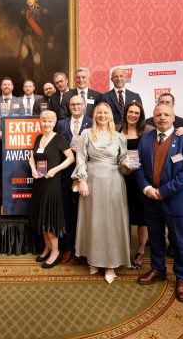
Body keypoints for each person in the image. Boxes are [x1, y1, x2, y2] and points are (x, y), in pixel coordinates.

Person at [134, 103, 183, 302]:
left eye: (166, 114)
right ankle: (158, 269)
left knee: (179, 241)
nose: (162, 118)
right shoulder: (146, 138)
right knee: (155, 238)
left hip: (176, 200)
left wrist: (163, 191)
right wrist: (147, 188)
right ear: (153, 117)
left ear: (173, 117)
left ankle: (182, 277)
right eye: (158, 114)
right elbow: (138, 166)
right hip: (151, 199)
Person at [72, 102, 131, 284]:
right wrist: (82, 180)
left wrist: (126, 163)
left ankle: (110, 264)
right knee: (93, 221)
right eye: (99, 112)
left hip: (114, 183)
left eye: (105, 112)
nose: (102, 115)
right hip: (92, 182)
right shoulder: (86, 133)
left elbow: (123, 161)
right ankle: (93, 259)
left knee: (111, 222)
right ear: (94, 115)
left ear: (110, 115)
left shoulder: (119, 136)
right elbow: (81, 158)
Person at [29, 110, 75, 268]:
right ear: (40, 122)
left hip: (52, 183)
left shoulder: (59, 138)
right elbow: (32, 157)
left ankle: (55, 251)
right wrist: (33, 168)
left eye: (49, 121)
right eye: (44, 121)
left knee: (49, 217)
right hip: (39, 183)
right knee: (42, 215)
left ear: (54, 123)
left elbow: (71, 158)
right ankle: (47, 247)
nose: (46, 124)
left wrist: (55, 170)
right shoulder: (38, 138)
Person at [50, 96, 90, 264]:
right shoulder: (61, 124)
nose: (75, 106)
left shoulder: (91, 122)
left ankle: (84, 249)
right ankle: (68, 247)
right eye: (72, 104)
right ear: (68, 106)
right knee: (67, 211)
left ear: (84, 105)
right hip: (65, 173)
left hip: (86, 173)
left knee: (85, 211)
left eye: (79, 104)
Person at [117, 101, 154, 270]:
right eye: (130, 112)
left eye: (136, 113)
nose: (132, 115)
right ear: (125, 113)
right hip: (120, 177)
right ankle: (122, 250)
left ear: (141, 116)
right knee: (122, 215)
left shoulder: (148, 130)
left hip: (141, 179)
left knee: (142, 218)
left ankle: (140, 250)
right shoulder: (116, 129)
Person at [0, 77, 21, 197]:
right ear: (1, 87)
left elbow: (22, 118)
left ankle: (13, 190)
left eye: (9, 84)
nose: (7, 86)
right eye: (4, 84)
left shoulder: (19, 101)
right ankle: (0, 190)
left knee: (14, 166)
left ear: (12, 87)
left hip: (14, 140)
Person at [18, 0, 52, 78]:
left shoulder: (43, 12)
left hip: (38, 39)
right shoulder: (24, 13)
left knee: (37, 64)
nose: (29, 1)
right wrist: (27, 30)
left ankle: (37, 84)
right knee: (20, 62)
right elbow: (20, 25)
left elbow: (49, 27)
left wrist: (50, 40)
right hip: (26, 38)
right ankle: (26, 80)